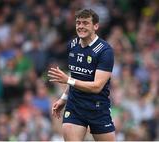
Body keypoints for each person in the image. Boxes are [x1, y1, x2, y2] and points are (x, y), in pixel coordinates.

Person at [48, 9, 115, 141]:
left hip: (98, 108)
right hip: (75, 107)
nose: (80, 26)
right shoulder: (72, 45)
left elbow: (97, 87)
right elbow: (75, 76)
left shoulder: (105, 51)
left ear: (95, 26)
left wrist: (68, 80)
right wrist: (63, 98)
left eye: (85, 23)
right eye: (78, 23)